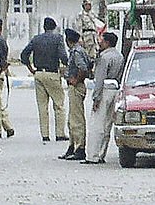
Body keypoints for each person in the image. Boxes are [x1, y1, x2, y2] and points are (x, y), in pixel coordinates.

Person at [20, 17, 69, 142]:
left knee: (42, 106)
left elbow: (24, 54)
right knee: (59, 105)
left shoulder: (36, 39)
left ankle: (45, 134)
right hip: (52, 74)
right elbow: (63, 56)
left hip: (39, 73)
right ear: (54, 27)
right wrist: (66, 65)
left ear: (44, 27)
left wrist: (31, 69)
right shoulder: (58, 38)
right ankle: (59, 133)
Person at [83, 32, 124, 164]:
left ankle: (92, 156)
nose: (99, 42)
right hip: (115, 90)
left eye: (102, 40)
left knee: (97, 124)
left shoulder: (104, 57)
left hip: (104, 91)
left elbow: (99, 79)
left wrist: (96, 97)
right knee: (108, 125)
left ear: (107, 43)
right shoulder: (119, 56)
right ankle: (101, 154)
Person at [61, 28, 91, 161]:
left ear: (68, 40)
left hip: (76, 86)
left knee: (77, 119)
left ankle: (80, 148)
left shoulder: (77, 52)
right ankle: (72, 146)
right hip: (74, 86)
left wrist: (76, 80)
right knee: (72, 119)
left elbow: (83, 68)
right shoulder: (78, 50)